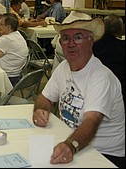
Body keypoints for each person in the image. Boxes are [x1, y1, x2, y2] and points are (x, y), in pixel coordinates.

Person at [32, 11, 125, 168]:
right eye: (66, 38)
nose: (71, 43)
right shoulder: (63, 68)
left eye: (78, 37)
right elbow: (44, 98)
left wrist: (71, 145)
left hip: (105, 155)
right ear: (60, 43)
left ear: (91, 42)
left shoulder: (101, 77)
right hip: (73, 141)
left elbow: (92, 121)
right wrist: (41, 110)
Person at [0, 13, 29, 86]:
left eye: (0, 24)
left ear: (8, 27)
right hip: (15, 75)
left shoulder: (7, 40)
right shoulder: (17, 34)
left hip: (6, 77)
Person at [93, 14, 125, 109]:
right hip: (120, 94)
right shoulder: (122, 47)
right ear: (120, 30)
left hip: (95, 91)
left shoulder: (92, 46)